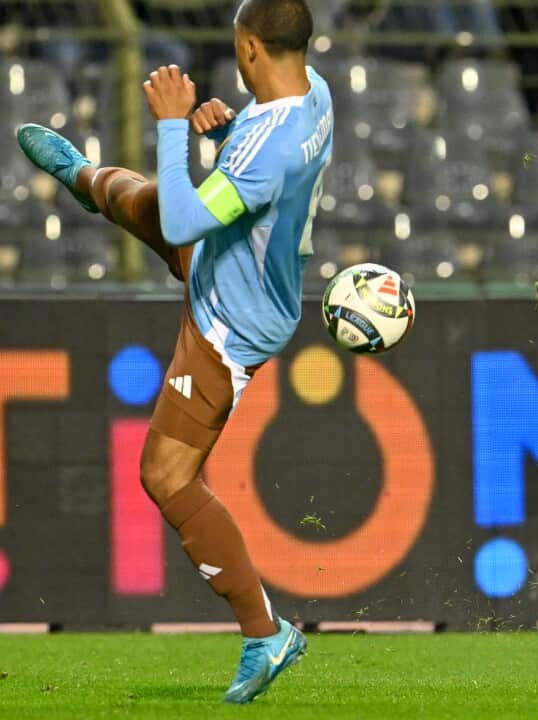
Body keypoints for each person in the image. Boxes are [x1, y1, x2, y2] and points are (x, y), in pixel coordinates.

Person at [15, 0, 331, 704]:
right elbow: (249, 163)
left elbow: (197, 213)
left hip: (233, 319)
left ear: (249, 47)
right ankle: (84, 179)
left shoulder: (269, 146)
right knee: (142, 201)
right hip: (239, 261)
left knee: (165, 475)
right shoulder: (314, 95)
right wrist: (228, 128)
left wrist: (169, 123)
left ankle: (266, 632)